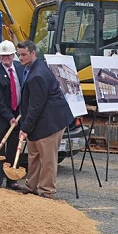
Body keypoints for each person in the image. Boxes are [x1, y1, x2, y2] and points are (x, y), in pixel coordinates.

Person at [16, 40, 74, 199]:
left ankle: (47, 192)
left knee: (47, 158)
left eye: (24, 55)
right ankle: (31, 186)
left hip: (51, 121)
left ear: (33, 53)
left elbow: (36, 106)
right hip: (41, 120)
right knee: (33, 153)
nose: (20, 58)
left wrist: (25, 127)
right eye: (19, 55)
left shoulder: (37, 75)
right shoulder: (30, 69)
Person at [0, 40, 25, 190]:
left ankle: (12, 180)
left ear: (13, 55)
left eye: (8, 55)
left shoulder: (20, 68)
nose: (5, 58)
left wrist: (20, 114)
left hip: (19, 115)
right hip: (2, 118)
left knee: (13, 149)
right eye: (2, 56)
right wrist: (9, 117)